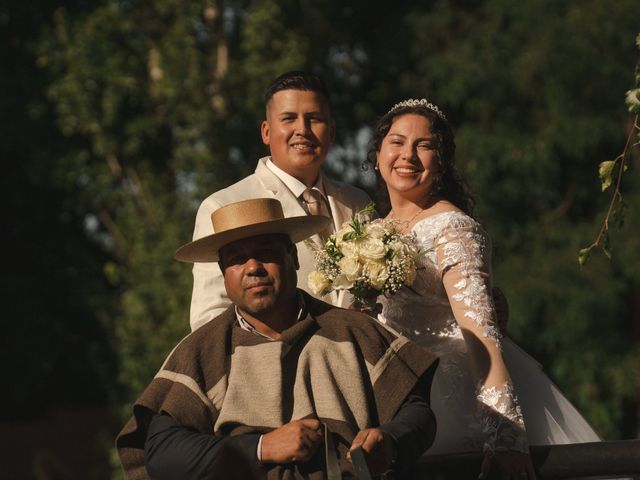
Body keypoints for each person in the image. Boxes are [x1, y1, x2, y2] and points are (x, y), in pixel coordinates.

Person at [116, 198, 439, 479]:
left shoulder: (354, 330)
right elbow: (162, 453)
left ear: (293, 258)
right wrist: (261, 448)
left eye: (265, 253)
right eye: (237, 259)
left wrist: (390, 441)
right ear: (223, 273)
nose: (253, 267)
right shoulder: (202, 350)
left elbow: (417, 413)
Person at [363, 99, 602, 479]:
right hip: (394, 393)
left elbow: (481, 335)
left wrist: (505, 437)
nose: (408, 154)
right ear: (377, 155)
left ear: (441, 164)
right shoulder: (372, 231)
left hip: (452, 397)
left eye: (424, 146)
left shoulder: (453, 229)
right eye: (397, 141)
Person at [189, 71, 371, 330]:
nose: (302, 130)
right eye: (289, 118)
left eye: (314, 119)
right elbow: (209, 318)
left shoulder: (357, 201)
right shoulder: (222, 205)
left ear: (331, 132)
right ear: (266, 131)